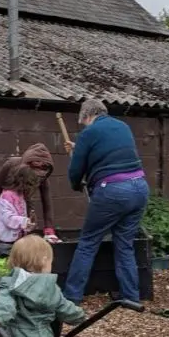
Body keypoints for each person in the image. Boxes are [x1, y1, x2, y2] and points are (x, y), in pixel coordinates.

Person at [63, 98, 149, 305]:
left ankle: (71, 297)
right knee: (125, 245)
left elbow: (76, 169)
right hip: (139, 187)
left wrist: (76, 185)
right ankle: (131, 297)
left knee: (87, 243)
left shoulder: (88, 133)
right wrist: (79, 146)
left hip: (113, 190)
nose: (83, 125)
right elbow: (109, 153)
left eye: (82, 121)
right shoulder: (122, 126)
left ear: (86, 116)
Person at [0, 143, 60, 245]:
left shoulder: (43, 177)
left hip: (24, 202)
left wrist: (49, 230)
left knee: (24, 233)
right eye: (35, 171)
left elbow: (47, 203)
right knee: (4, 235)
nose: (39, 174)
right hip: (5, 201)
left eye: (43, 169)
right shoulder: (11, 164)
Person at [0, 165, 40, 276]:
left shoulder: (20, 195)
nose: (29, 188)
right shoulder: (6, 196)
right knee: (5, 265)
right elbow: (8, 218)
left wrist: (28, 224)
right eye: (28, 184)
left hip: (16, 238)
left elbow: (20, 215)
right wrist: (24, 221)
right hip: (5, 240)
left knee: (17, 264)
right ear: (21, 181)